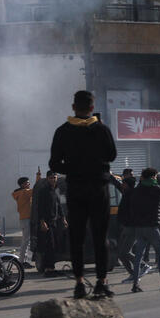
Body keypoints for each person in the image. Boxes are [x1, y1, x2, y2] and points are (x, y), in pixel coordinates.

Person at [49, 91, 118, 299]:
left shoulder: (62, 131)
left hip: (76, 189)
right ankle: (101, 282)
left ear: (73, 107)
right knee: (100, 237)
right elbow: (112, 155)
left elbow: (54, 163)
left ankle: (79, 283)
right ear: (91, 108)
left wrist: (72, 167)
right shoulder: (101, 129)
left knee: (76, 237)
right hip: (98, 189)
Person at [128, 168, 160, 293]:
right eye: (155, 176)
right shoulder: (154, 189)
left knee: (138, 256)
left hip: (140, 228)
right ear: (152, 177)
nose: (156, 179)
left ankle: (135, 284)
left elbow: (132, 208)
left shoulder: (136, 190)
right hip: (152, 227)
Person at [31, 170, 65, 276]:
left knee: (53, 246)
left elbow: (59, 205)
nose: (53, 179)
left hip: (54, 222)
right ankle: (47, 269)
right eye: (51, 177)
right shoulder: (44, 191)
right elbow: (40, 208)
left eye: (54, 177)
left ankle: (51, 268)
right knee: (48, 246)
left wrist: (63, 218)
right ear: (47, 179)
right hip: (46, 223)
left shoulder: (55, 190)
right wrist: (42, 222)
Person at [11, 172, 39, 267]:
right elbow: (36, 189)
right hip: (26, 219)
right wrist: (38, 177)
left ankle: (25, 261)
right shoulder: (24, 193)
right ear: (22, 185)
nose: (29, 184)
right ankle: (22, 261)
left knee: (27, 241)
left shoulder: (21, 193)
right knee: (26, 241)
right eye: (27, 183)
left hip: (25, 219)